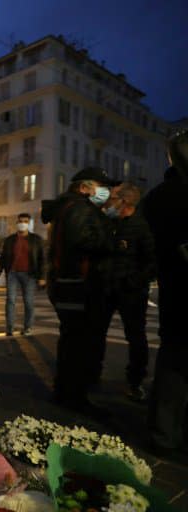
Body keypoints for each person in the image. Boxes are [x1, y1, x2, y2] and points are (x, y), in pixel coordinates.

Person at [40, 167, 115, 411]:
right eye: (101, 185)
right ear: (84, 188)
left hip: (68, 283)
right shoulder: (79, 209)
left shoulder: (67, 208)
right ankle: (73, 396)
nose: (106, 191)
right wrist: (113, 241)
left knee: (72, 341)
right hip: (79, 284)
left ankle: (67, 391)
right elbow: (83, 240)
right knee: (78, 343)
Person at [142, 130, 188, 455]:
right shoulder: (176, 195)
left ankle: (164, 435)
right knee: (174, 369)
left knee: (172, 364)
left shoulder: (157, 197)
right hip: (181, 289)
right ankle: (167, 435)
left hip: (175, 294)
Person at [95, 183, 156, 401]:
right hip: (108, 288)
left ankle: (135, 381)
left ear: (125, 201)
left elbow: (152, 261)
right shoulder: (110, 224)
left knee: (136, 336)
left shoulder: (141, 227)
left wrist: (133, 280)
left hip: (131, 292)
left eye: (113, 197)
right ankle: (94, 375)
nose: (109, 201)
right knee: (97, 333)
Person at [0, 213, 46, 336]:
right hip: (12, 273)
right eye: (21, 221)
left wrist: (43, 277)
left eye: (25, 221)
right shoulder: (10, 240)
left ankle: (27, 327)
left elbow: (43, 259)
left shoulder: (36, 240)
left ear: (29, 223)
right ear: (17, 223)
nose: (23, 223)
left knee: (28, 302)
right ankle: (9, 328)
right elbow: (4, 257)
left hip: (30, 274)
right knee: (10, 300)